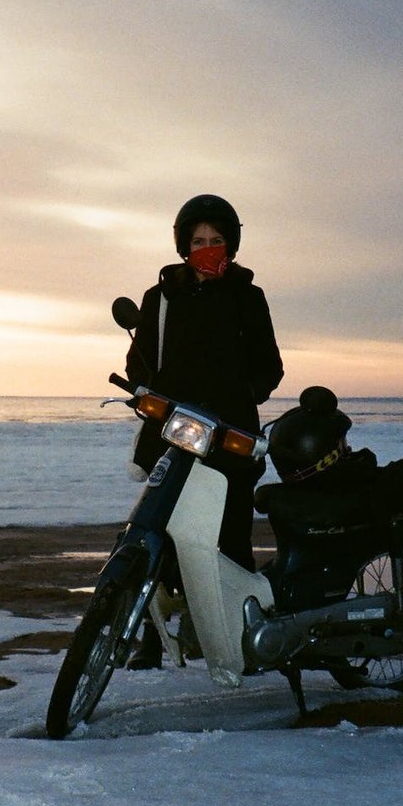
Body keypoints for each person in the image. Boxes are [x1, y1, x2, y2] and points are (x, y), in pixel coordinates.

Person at [124, 194, 284, 667]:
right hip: (172, 429)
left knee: (231, 536)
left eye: (216, 241)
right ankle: (151, 640)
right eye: (198, 241)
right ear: (183, 246)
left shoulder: (247, 298)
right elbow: (140, 362)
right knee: (159, 529)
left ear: (230, 245)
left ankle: (242, 640)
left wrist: (241, 395)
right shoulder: (161, 298)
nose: (208, 248)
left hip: (229, 434)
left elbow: (270, 367)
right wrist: (142, 391)